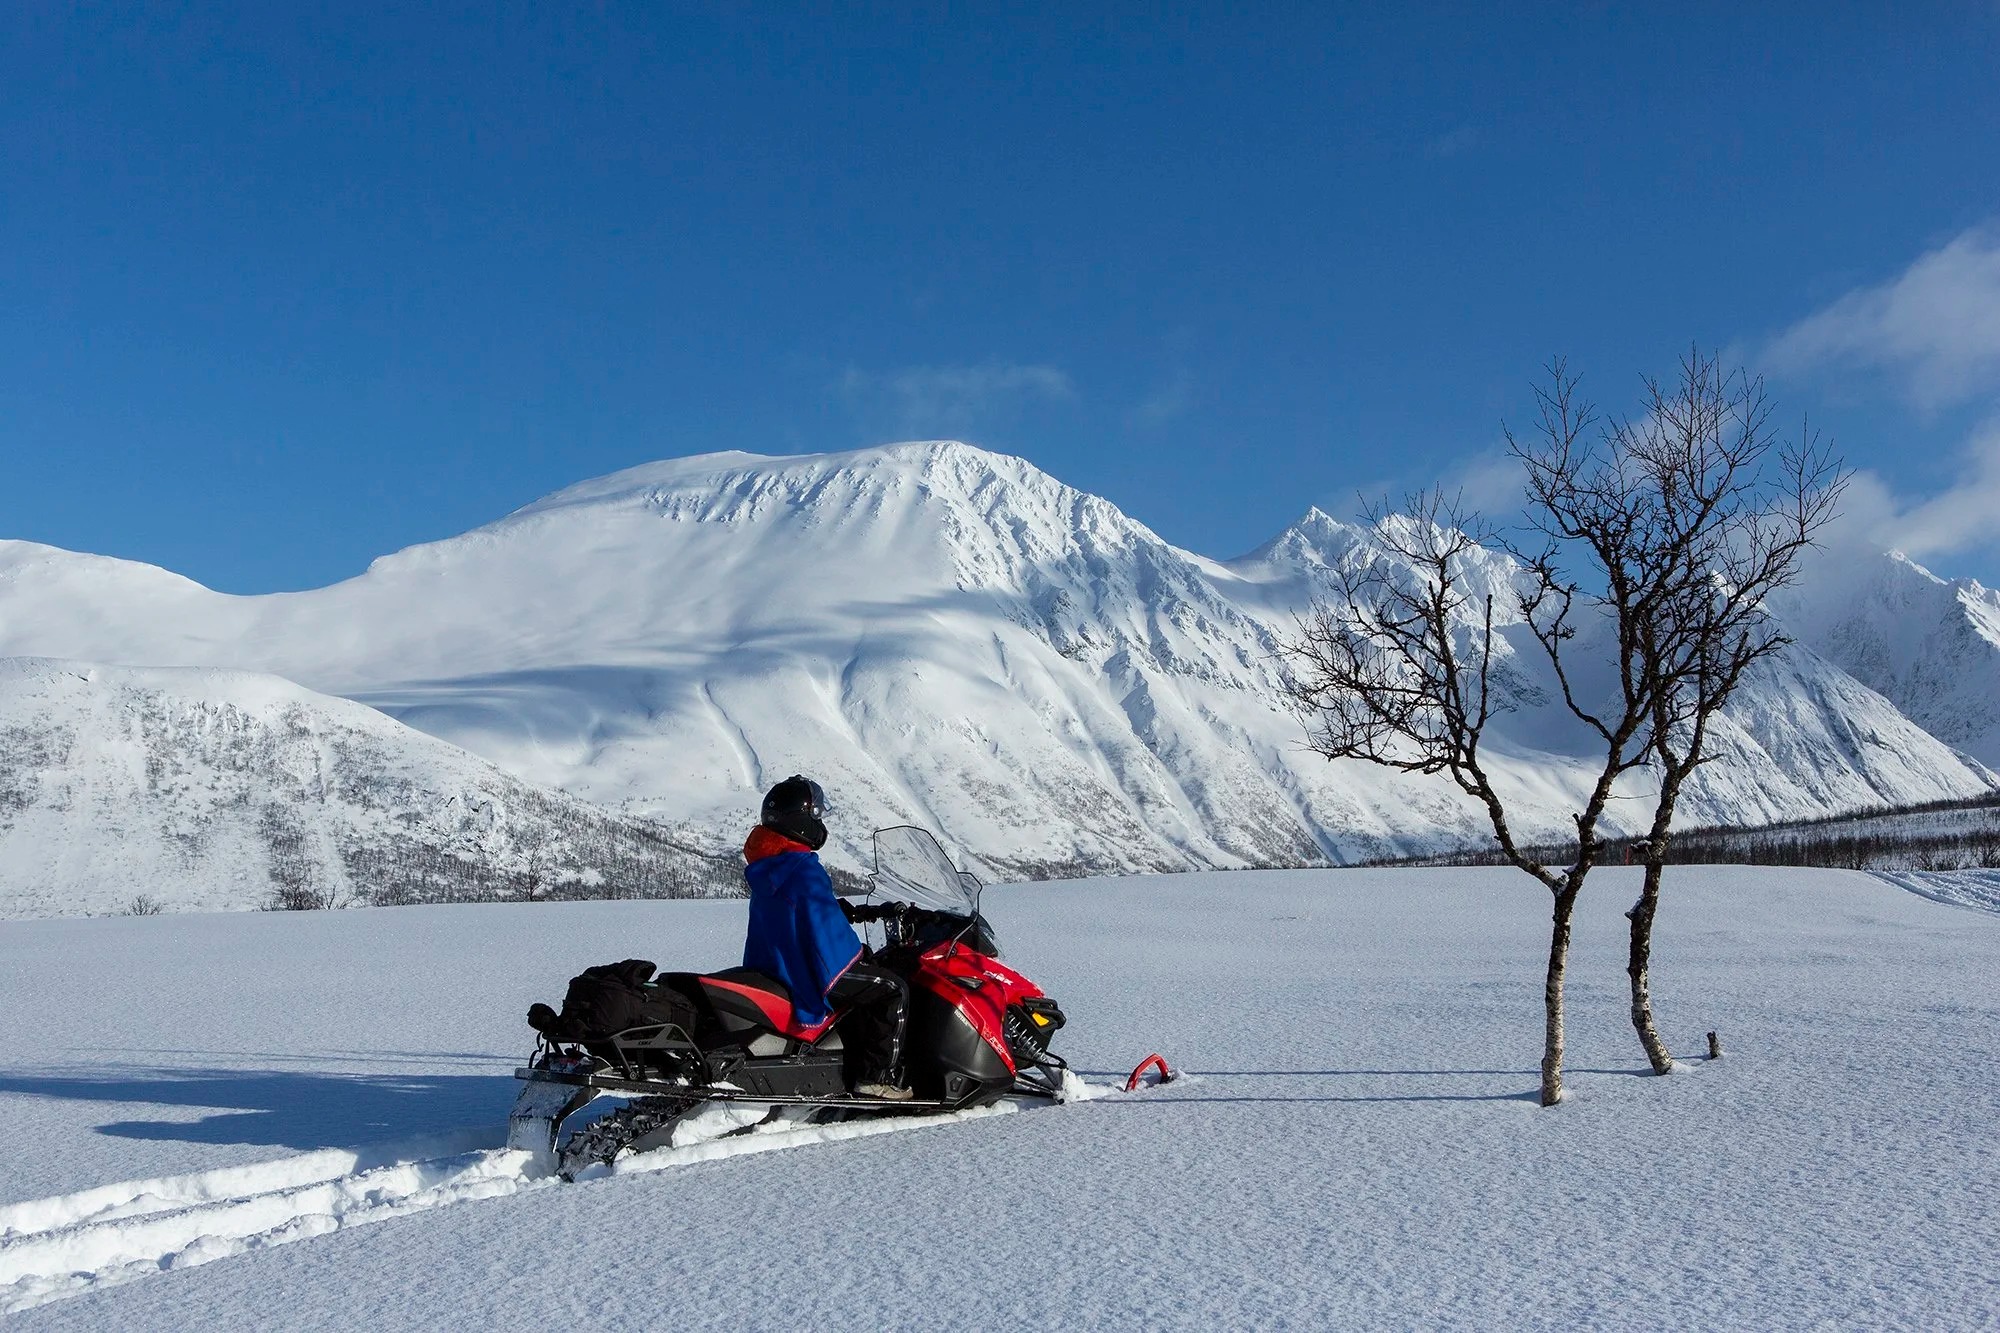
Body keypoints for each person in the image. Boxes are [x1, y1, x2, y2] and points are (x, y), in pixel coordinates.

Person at [741, 774, 912, 1100]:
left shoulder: (771, 865)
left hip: (775, 967)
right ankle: (877, 1080)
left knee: (869, 981)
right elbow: (825, 935)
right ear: (801, 820)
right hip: (802, 974)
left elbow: (805, 910)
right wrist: (856, 952)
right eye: (815, 814)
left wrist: (850, 911)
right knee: (892, 990)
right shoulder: (803, 868)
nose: (819, 821)